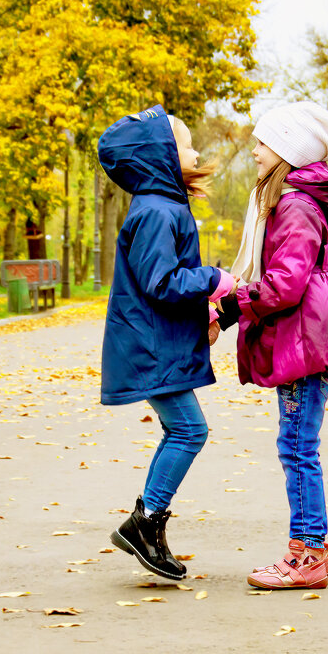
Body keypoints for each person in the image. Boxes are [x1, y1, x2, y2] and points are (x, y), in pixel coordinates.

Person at [216, 101, 328, 590]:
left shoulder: (296, 205)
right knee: (297, 444)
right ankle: (309, 550)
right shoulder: (294, 201)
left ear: (286, 150)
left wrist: (230, 307)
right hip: (305, 333)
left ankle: (307, 556)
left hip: (305, 335)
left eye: (263, 143)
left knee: (298, 446)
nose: (256, 152)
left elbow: (285, 282)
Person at [97, 105, 237, 580]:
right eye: (186, 143)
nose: (195, 151)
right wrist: (216, 279)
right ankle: (145, 522)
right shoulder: (157, 210)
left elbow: (164, 284)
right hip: (150, 346)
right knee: (189, 430)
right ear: (159, 154)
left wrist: (207, 314)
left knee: (182, 429)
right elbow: (162, 281)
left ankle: (146, 521)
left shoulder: (164, 204)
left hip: (157, 342)